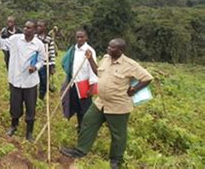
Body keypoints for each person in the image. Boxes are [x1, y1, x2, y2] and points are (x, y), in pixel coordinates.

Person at [61, 38, 153, 169]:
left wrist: (134, 89)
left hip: (118, 105)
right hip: (101, 102)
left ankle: (116, 160)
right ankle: (81, 150)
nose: (108, 49)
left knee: (118, 134)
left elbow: (147, 78)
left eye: (112, 48)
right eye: (109, 46)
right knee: (88, 121)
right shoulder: (106, 58)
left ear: (120, 50)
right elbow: (98, 71)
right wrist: (90, 59)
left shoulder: (130, 65)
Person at [0, 20, 47, 141]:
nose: (25, 29)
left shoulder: (38, 44)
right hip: (15, 79)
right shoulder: (15, 39)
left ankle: (29, 132)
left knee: (30, 107)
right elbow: (1, 45)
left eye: (29, 28)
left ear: (34, 30)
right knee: (15, 106)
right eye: (24, 27)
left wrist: (35, 67)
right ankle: (14, 125)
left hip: (30, 82)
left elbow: (42, 60)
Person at [61, 30, 98, 132]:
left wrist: (92, 86)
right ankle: (79, 125)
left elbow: (92, 69)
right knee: (76, 107)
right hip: (73, 83)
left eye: (82, 37)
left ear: (86, 38)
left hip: (84, 84)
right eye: (78, 37)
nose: (80, 39)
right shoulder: (73, 50)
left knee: (85, 109)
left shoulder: (89, 51)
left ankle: (85, 128)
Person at [36, 20, 56, 100]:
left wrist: (52, 65)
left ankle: (41, 97)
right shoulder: (34, 38)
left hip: (46, 64)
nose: (38, 28)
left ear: (44, 28)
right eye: (37, 26)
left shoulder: (49, 39)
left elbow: (52, 53)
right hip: (36, 63)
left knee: (44, 82)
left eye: (40, 26)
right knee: (34, 82)